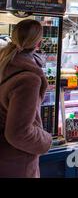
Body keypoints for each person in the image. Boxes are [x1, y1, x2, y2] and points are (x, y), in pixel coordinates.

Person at [0, 19, 52, 178]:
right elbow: (19, 132)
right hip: (15, 163)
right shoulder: (29, 79)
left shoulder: (5, 63)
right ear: (39, 43)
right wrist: (46, 140)